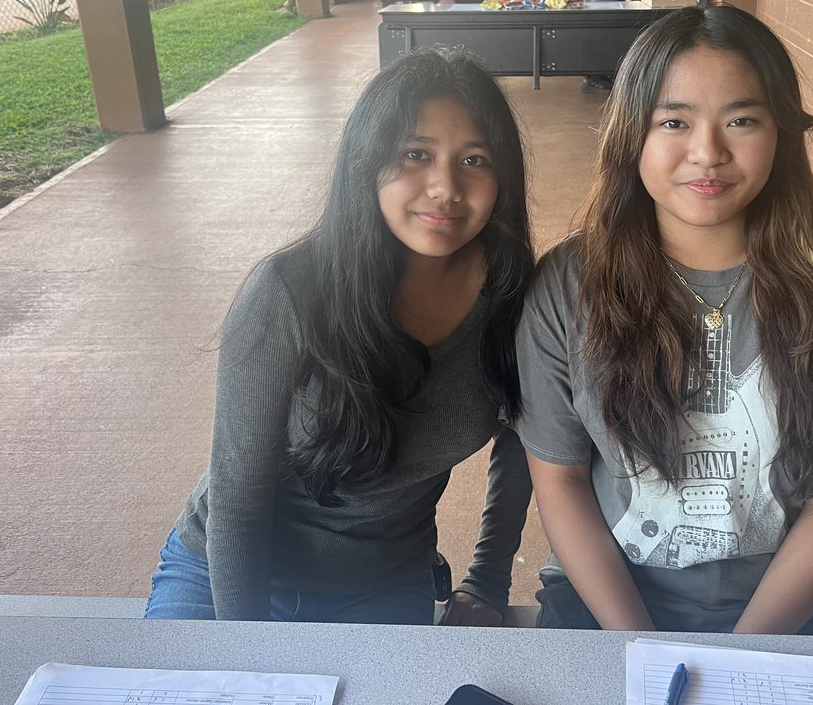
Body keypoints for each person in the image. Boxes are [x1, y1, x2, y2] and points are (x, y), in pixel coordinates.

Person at [515, 5, 813, 635]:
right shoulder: (569, 284)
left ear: (782, 133)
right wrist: (640, 649)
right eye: (674, 121)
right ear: (633, 134)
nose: (707, 152)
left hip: (787, 611)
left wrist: (742, 660)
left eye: (741, 120)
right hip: (604, 605)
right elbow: (564, 482)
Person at [145, 49, 535, 625]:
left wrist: (486, 582)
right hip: (226, 575)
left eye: (474, 158)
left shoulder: (514, 295)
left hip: (382, 585)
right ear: (368, 161)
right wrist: (248, 660)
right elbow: (237, 497)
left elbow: (523, 440)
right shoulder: (289, 290)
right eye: (415, 154)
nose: (445, 187)